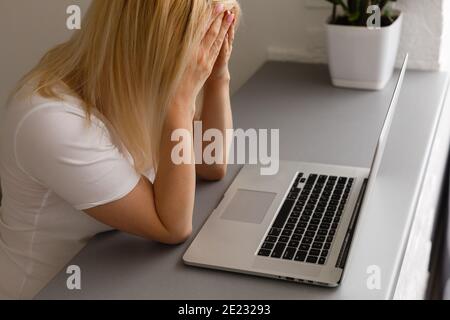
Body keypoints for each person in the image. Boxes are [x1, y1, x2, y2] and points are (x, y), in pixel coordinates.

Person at [0, 0, 240, 299]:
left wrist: (218, 75)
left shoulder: (140, 80)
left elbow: (211, 162)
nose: (202, 56)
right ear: (154, 42)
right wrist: (180, 101)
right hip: (50, 289)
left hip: (116, 271)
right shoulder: (48, 120)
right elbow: (172, 227)